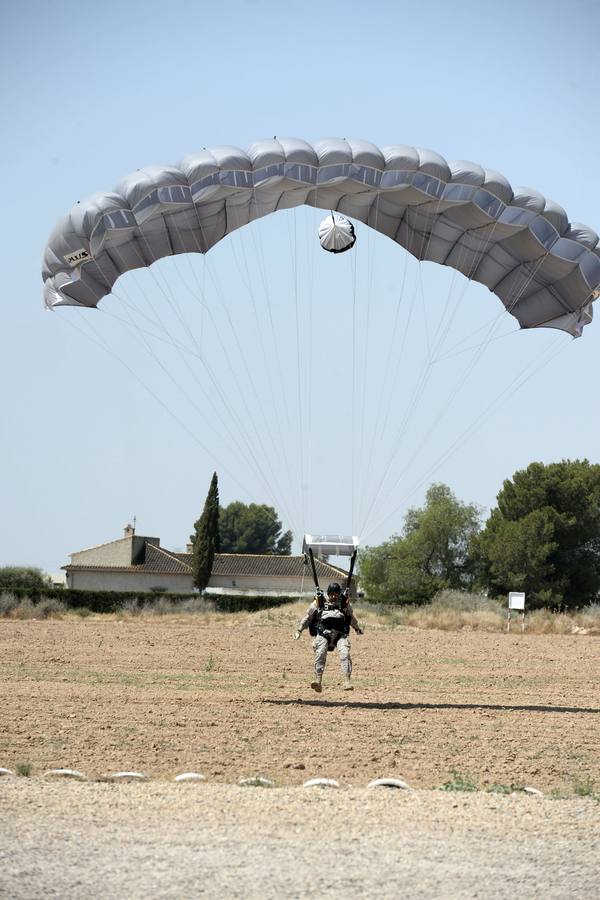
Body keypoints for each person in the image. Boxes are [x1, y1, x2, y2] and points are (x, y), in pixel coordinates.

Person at [294, 582, 364, 692]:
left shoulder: (344, 604)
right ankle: (318, 680)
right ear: (328, 593)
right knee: (320, 652)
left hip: (340, 634)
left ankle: (347, 681)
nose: (334, 596)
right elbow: (308, 617)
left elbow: (351, 618)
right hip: (323, 633)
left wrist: (357, 628)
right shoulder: (319, 602)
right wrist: (299, 629)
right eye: (332, 594)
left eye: (336, 594)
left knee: (345, 653)